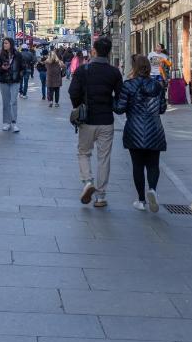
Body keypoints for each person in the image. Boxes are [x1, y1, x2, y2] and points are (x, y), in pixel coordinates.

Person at [69, 36, 123, 208]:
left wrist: (79, 107)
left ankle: (87, 181)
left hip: (87, 120)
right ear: (108, 52)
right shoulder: (114, 72)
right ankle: (101, 196)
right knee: (104, 158)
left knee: (84, 152)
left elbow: (73, 92)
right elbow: (120, 97)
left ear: (94, 51)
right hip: (106, 120)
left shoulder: (83, 70)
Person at [115, 54, 167, 212]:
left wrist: (110, 100)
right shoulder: (158, 86)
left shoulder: (129, 85)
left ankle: (141, 200)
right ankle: (152, 189)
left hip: (134, 129)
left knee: (137, 166)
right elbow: (162, 109)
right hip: (154, 129)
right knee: (153, 164)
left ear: (135, 68)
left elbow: (119, 108)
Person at [0, 37, 25, 133]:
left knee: (13, 101)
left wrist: (19, 76)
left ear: (11, 44)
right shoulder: (1, 56)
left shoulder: (18, 55)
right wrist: (2, 68)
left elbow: (23, 67)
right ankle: (6, 122)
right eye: (4, 43)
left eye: (6, 43)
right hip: (4, 81)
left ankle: (14, 122)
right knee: (6, 102)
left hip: (15, 81)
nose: (4, 45)